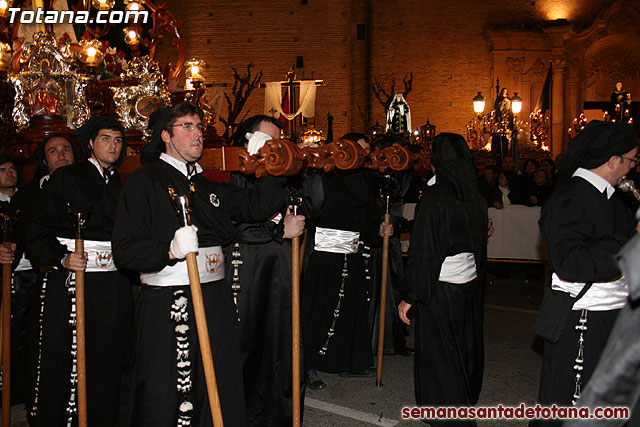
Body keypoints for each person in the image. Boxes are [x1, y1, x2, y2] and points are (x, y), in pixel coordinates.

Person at [112, 103, 289, 427]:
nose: (197, 134)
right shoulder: (144, 182)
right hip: (168, 301)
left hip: (214, 299)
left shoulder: (208, 184)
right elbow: (124, 251)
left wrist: (268, 163)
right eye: (187, 127)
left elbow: (257, 205)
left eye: (199, 127)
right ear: (165, 135)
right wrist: (169, 249)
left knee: (218, 380)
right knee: (169, 387)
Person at [26, 118, 134, 427]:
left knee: (110, 358)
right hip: (73, 284)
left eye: (117, 140)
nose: (113, 146)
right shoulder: (67, 178)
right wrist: (62, 259)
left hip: (114, 285)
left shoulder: (119, 183)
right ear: (90, 143)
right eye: (105, 139)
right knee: (67, 361)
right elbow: (37, 231)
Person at [534, 121, 638, 426]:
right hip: (582, 318)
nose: (632, 169)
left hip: (609, 315)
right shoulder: (571, 199)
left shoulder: (610, 198)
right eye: (631, 160)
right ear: (613, 160)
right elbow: (570, 262)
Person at [398, 133, 487, 426]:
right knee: (460, 344)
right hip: (466, 283)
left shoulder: (437, 196)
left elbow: (426, 251)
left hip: (442, 285)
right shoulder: (471, 192)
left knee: (442, 350)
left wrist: (411, 296)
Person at [225, 114, 305, 427]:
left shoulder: (277, 168)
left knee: (281, 343)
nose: (276, 150)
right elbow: (235, 224)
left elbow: (312, 199)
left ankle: (277, 413)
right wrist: (276, 230)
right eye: (269, 142)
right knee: (249, 346)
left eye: (280, 143)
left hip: (278, 267)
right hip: (247, 268)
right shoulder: (231, 172)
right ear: (249, 139)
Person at [302, 132, 393, 390]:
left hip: (351, 255)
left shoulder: (363, 180)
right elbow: (313, 208)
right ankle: (307, 366)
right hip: (323, 255)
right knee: (318, 309)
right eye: (359, 151)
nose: (363, 157)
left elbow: (366, 217)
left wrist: (378, 230)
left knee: (351, 309)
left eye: (365, 152)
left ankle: (347, 360)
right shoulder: (326, 175)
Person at [6, 135, 77, 407]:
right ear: (44, 160)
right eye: (53, 151)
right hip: (40, 279)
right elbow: (20, 236)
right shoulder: (29, 195)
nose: (61, 156)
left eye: (66, 150)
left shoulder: (91, 186)